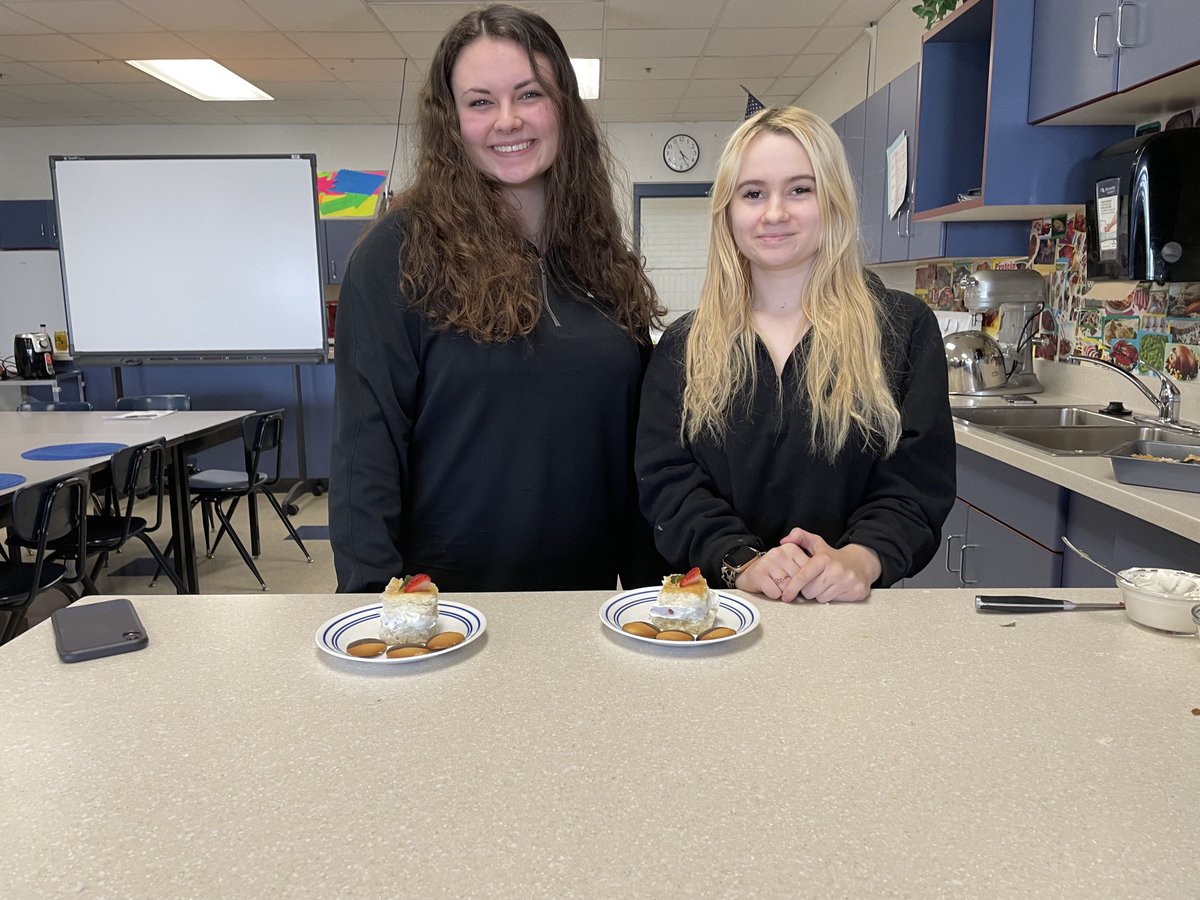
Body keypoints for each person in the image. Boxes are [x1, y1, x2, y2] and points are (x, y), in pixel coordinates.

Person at [330, 4, 665, 593]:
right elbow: (366, 450)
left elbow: (635, 449)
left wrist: (650, 597)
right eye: (480, 102)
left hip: (585, 602)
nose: (508, 120)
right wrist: (372, 605)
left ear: (563, 107)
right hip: (447, 608)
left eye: (529, 94)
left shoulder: (600, 255)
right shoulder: (399, 253)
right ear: (452, 121)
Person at [635, 106, 955, 604]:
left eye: (800, 189)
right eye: (753, 193)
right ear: (727, 211)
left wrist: (860, 558)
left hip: (848, 612)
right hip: (719, 614)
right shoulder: (683, 345)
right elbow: (667, 482)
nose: (775, 213)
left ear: (833, 199)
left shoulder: (902, 328)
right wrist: (741, 560)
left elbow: (916, 483)